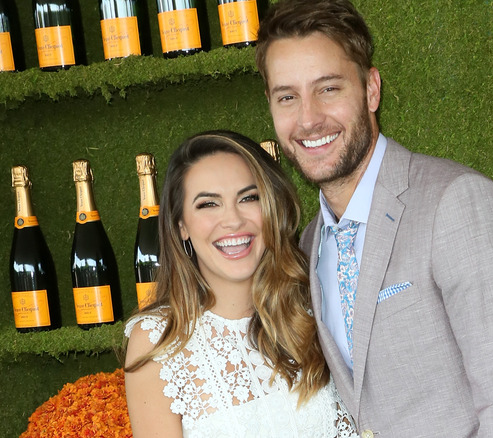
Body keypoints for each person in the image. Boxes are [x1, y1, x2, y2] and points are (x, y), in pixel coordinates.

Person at [255, 1, 493, 437]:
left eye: (329, 89)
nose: (308, 118)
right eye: (288, 97)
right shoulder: (308, 244)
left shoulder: (457, 204)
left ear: (371, 90)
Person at [123, 130, 359, 438]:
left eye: (248, 198)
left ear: (271, 209)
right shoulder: (157, 339)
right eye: (209, 204)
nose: (233, 220)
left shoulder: (312, 304)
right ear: (181, 225)